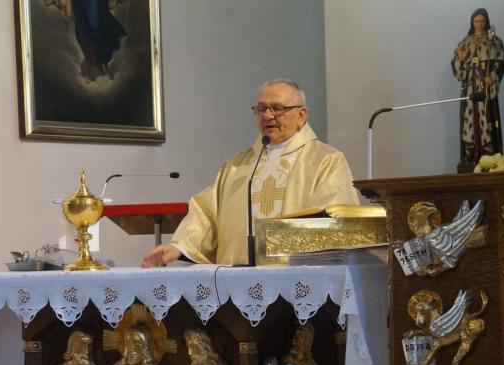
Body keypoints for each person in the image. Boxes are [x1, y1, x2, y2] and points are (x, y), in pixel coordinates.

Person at [142, 79, 360, 266]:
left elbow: (336, 221)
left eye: (278, 108)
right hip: (236, 283)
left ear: (301, 115)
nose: (268, 115)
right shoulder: (238, 166)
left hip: (298, 279)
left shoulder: (325, 160)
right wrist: (180, 247)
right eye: (262, 109)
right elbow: (206, 213)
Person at [451, 8, 504, 165]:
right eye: (476, 21)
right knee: (469, 117)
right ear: (472, 23)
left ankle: (488, 151)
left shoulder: (494, 42)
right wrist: (461, 60)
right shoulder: (465, 43)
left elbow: (500, 63)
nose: (479, 24)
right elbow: (457, 70)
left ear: (486, 22)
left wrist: (493, 76)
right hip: (470, 86)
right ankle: (471, 152)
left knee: (486, 115)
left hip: (485, 88)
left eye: (482, 21)